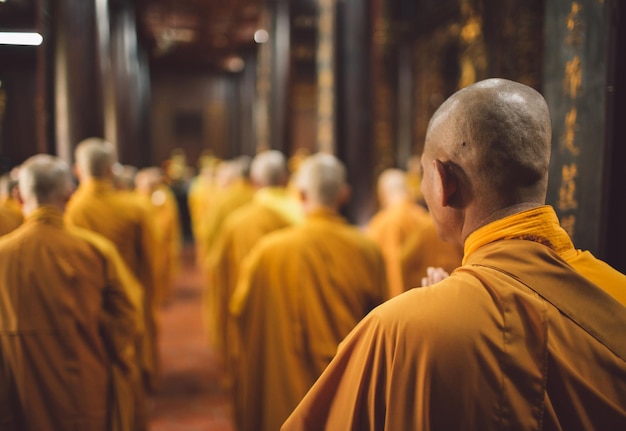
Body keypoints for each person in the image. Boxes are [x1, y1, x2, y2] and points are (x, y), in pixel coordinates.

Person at [282, 78, 626, 430]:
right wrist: (457, 303)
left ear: (445, 182)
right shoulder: (618, 292)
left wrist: (448, 307)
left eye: (424, 176)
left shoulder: (401, 331)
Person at [230, 152, 389, 431]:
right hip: (344, 389)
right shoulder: (368, 251)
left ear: (300, 194)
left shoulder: (269, 253)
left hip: (284, 391)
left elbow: (241, 311)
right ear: (344, 194)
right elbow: (382, 325)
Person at [0, 154, 138, 431]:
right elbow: (126, 318)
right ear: (69, 194)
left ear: (18, 195)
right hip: (83, 380)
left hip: (18, 385)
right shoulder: (95, 250)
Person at [65, 137, 161, 398]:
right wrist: (149, 296)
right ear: (111, 170)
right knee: (130, 366)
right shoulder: (133, 207)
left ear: (77, 170)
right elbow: (151, 259)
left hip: (86, 299)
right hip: (128, 294)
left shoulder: (71, 210)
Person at [204, 149, 302, 390]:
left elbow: (217, 262)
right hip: (296, 309)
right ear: (286, 179)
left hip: (252, 307)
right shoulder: (302, 215)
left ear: (254, 182)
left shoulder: (239, 222)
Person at [366, 168, 462, 296]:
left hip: (398, 306)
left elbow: (391, 272)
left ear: (381, 194)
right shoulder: (430, 221)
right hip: (438, 298)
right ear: (408, 191)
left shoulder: (382, 224)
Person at [135, 166, 182, 306]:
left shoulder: (161, 195)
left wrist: (155, 232)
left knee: (161, 269)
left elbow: (166, 220)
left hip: (160, 241)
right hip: (147, 239)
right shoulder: (139, 195)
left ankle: (161, 296)